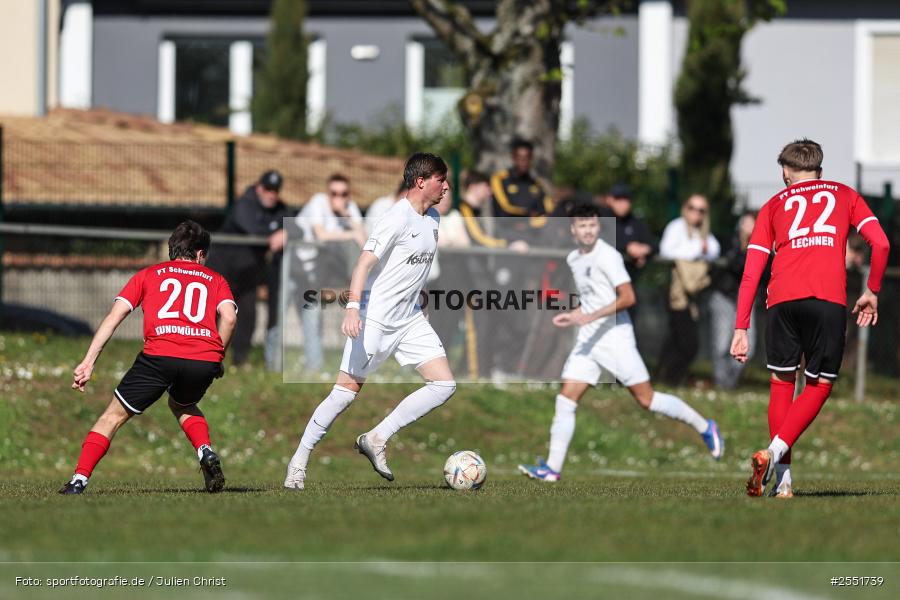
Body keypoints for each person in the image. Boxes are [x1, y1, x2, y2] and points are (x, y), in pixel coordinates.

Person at [283, 153, 456, 490]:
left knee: (444, 385)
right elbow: (363, 265)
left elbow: (411, 269)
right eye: (441, 179)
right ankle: (298, 463)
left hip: (409, 320)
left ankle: (377, 437)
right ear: (421, 181)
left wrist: (421, 300)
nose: (446, 186)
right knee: (344, 394)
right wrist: (352, 309)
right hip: (374, 317)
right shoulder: (396, 218)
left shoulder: (432, 218)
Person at [517, 205, 724, 482]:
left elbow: (628, 297)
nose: (588, 231)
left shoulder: (608, 256)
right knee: (566, 398)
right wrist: (577, 314)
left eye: (592, 225)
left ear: (598, 227)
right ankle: (552, 469)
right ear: (573, 230)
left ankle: (704, 426)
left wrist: (591, 315)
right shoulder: (574, 259)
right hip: (590, 338)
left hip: (615, 339)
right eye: (582, 226)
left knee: (646, 400)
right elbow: (593, 299)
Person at [731, 139, 889, 498]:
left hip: (782, 301)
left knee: (782, 383)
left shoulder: (771, 206)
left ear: (785, 172)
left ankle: (783, 481)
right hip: (826, 299)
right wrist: (872, 291)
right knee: (820, 385)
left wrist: (741, 326)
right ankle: (772, 455)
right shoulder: (845, 195)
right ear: (821, 169)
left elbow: (751, 274)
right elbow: (881, 245)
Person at [58, 221, 238, 495]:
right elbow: (229, 317)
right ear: (200, 254)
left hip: (159, 356)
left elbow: (114, 316)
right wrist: (217, 355)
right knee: (183, 404)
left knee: (112, 417)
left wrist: (88, 361)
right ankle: (204, 450)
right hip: (202, 359)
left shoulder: (149, 274)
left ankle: (78, 481)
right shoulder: (216, 279)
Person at [208, 170, 292, 365]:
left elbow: (297, 224)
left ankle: (240, 360)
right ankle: (204, 357)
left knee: (247, 316)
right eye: (268, 189)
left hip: (247, 274)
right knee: (211, 315)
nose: (272, 194)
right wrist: (278, 231)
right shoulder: (245, 204)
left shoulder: (279, 208)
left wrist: (286, 230)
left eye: (276, 190)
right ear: (259, 187)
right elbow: (255, 231)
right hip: (222, 271)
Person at [291, 174, 367, 372]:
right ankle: (274, 364)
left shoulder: (349, 209)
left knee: (312, 316)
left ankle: (314, 366)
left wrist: (346, 215)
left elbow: (364, 239)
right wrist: (351, 232)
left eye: (343, 194)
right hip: (296, 266)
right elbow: (321, 234)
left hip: (318, 271)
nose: (338, 198)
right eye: (334, 193)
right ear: (327, 193)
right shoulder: (318, 202)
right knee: (283, 315)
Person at [656, 194, 721, 385]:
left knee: (676, 339)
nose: (696, 213)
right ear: (685, 208)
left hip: (693, 295)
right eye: (692, 208)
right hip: (676, 294)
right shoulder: (676, 227)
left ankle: (665, 377)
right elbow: (667, 251)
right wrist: (697, 249)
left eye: (701, 210)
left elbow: (714, 249)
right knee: (687, 343)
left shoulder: (703, 232)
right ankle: (670, 378)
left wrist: (699, 249)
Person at [710, 212, 758, 390]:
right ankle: (721, 385)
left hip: (747, 301)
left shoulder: (762, 246)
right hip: (725, 297)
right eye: (745, 223)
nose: (748, 228)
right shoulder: (727, 242)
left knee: (748, 348)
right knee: (722, 344)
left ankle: (730, 383)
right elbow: (736, 265)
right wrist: (744, 246)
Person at [601, 183, 659, 282]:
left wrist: (644, 250)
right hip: (602, 279)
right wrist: (628, 248)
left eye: (625, 200)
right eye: (618, 199)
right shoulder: (600, 219)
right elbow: (599, 242)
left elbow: (654, 245)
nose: (622, 204)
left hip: (628, 280)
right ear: (609, 200)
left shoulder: (636, 222)